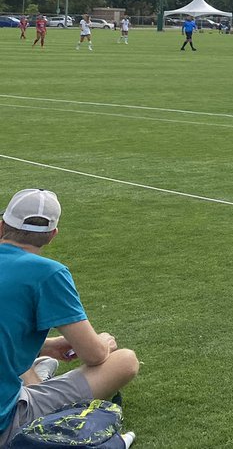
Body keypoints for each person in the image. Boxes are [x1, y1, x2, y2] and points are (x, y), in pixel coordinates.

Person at [0, 189, 140, 448]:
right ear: (52, 236)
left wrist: (48, 345)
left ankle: (33, 377)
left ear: (1, 226)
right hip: (5, 423)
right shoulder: (47, 273)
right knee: (125, 361)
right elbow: (94, 356)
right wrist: (105, 342)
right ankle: (33, 390)